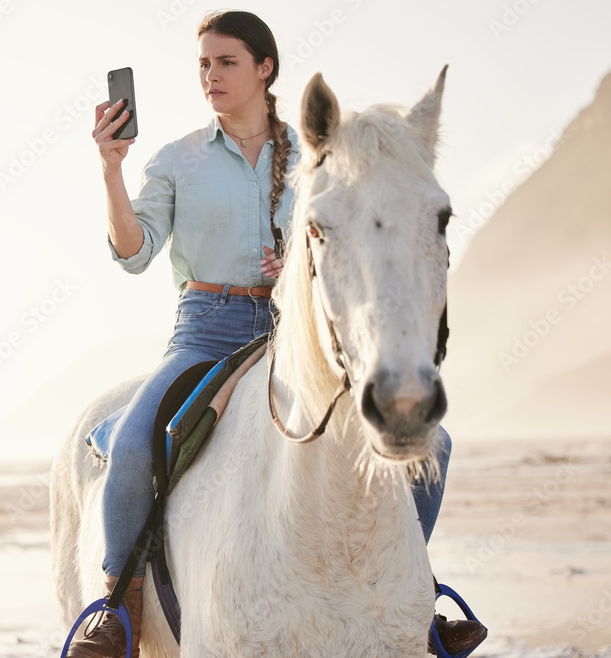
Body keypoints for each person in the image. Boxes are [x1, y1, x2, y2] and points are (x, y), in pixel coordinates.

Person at [68, 10, 485, 658]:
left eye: (226, 62)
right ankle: (116, 610)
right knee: (130, 445)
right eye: (203, 63)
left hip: (297, 332)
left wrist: (294, 263)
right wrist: (110, 168)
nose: (211, 75)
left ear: (265, 69)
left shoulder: (325, 154)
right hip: (205, 331)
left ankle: (414, 595)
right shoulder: (177, 161)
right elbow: (132, 250)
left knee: (439, 449)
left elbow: (349, 239)